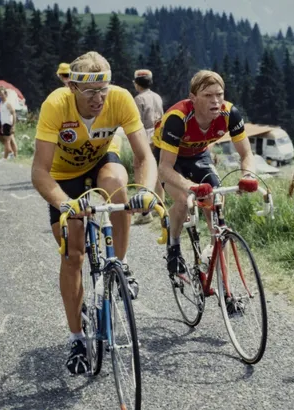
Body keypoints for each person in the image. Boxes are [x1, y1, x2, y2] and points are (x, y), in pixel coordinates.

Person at [31, 51, 159, 374]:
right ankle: (76, 337)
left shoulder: (120, 99)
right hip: (63, 177)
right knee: (73, 255)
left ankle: (120, 264)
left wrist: (145, 190)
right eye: (90, 91)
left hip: (102, 163)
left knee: (117, 183)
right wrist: (65, 204)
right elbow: (39, 172)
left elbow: (144, 156)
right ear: (72, 87)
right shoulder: (55, 105)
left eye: (103, 89)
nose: (99, 98)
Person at [153, 69, 256, 277]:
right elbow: (164, 168)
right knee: (184, 199)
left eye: (219, 94)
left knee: (216, 204)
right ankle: (174, 246)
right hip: (170, 158)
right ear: (193, 98)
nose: (215, 101)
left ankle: (225, 284)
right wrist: (190, 186)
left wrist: (248, 176)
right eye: (208, 95)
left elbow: (246, 154)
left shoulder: (230, 114)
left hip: (199, 155)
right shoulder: (178, 118)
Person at [132, 69, 164, 225]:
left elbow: (135, 122)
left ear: (137, 84)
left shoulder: (139, 99)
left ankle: (144, 210)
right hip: (159, 135)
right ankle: (160, 205)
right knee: (155, 169)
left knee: (140, 169)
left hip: (144, 135)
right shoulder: (157, 96)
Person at [0, 86, 18, 160]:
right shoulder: (1, 103)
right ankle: (14, 156)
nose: (1, 96)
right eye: (0, 94)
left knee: (7, 141)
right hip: (4, 123)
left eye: (2, 94)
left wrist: (13, 125)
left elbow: (14, 114)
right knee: (11, 140)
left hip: (8, 123)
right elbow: (2, 115)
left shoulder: (8, 103)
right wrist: (1, 125)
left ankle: (6, 156)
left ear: (6, 94)